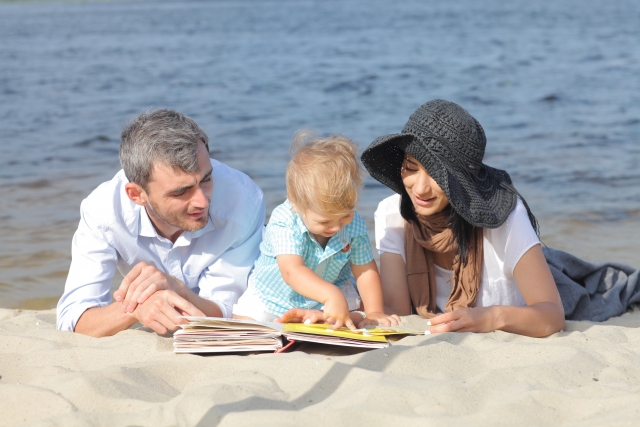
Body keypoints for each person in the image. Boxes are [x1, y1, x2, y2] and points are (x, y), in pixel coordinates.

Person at [360, 99, 565, 337]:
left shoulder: (506, 219)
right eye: (411, 168)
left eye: (437, 175)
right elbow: (397, 311)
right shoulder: (392, 214)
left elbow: (552, 316)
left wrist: (491, 316)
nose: (420, 189)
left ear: (460, 181)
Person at [56, 109, 266, 337]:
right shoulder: (104, 213)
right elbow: (73, 322)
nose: (202, 201)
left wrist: (178, 290)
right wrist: (137, 307)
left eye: (206, 179)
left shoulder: (242, 201)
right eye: (181, 191)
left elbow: (229, 314)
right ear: (137, 195)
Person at [233, 132, 399, 330]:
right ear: (295, 202)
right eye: (325, 221)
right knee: (245, 323)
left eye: (345, 216)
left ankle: (323, 316)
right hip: (274, 295)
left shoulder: (353, 224)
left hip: (331, 290)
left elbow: (365, 270)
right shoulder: (285, 220)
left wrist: (374, 311)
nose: (337, 227)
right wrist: (330, 295)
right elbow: (291, 271)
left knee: (360, 313)